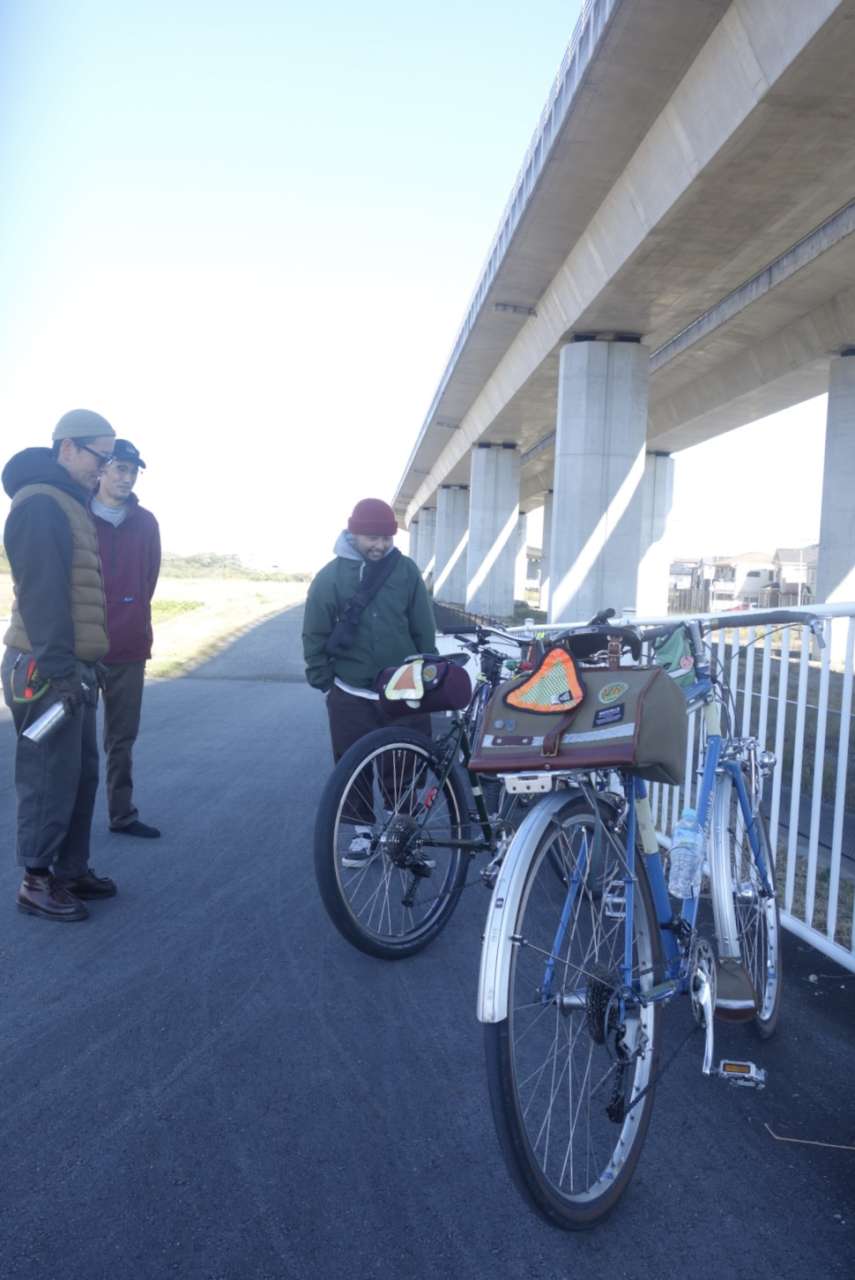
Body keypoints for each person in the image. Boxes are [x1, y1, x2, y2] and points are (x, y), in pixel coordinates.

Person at [1, 409, 119, 921]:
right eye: (100, 456)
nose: (105, 469)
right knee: (49, 775)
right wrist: (62, 670)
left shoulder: (69, 502)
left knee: (80, 774)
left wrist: (91, 661)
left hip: (70, 666)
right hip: (43, 667)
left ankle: (69, 870)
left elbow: (78, 596)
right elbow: (43, 596)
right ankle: (36, 880)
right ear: (67, 447)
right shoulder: (41, 504)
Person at [302, 498, 436, 865]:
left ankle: (402, 832)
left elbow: (422, 625)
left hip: (403, 688)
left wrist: (427, 671)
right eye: (371, 538)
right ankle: (362, 835)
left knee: (405, 762)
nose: (379, 545)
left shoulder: (406, 570)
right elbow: (314, 631)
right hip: (350, 689)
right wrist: (323, 679)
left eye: (386, 538)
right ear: (354, 534)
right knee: (352, 764)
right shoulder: (330, 576)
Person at [92, 438, 162, 838]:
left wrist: (132, 613)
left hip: (129, 647)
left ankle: (121, 814)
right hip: (82, 648)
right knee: (73, 745)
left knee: (121, 739)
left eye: (133, 471)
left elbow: (148, 579)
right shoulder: (78, 515)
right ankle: (67, 823)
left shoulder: (146, 522)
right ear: (102, 469)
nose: (127, 477)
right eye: (120, 468)